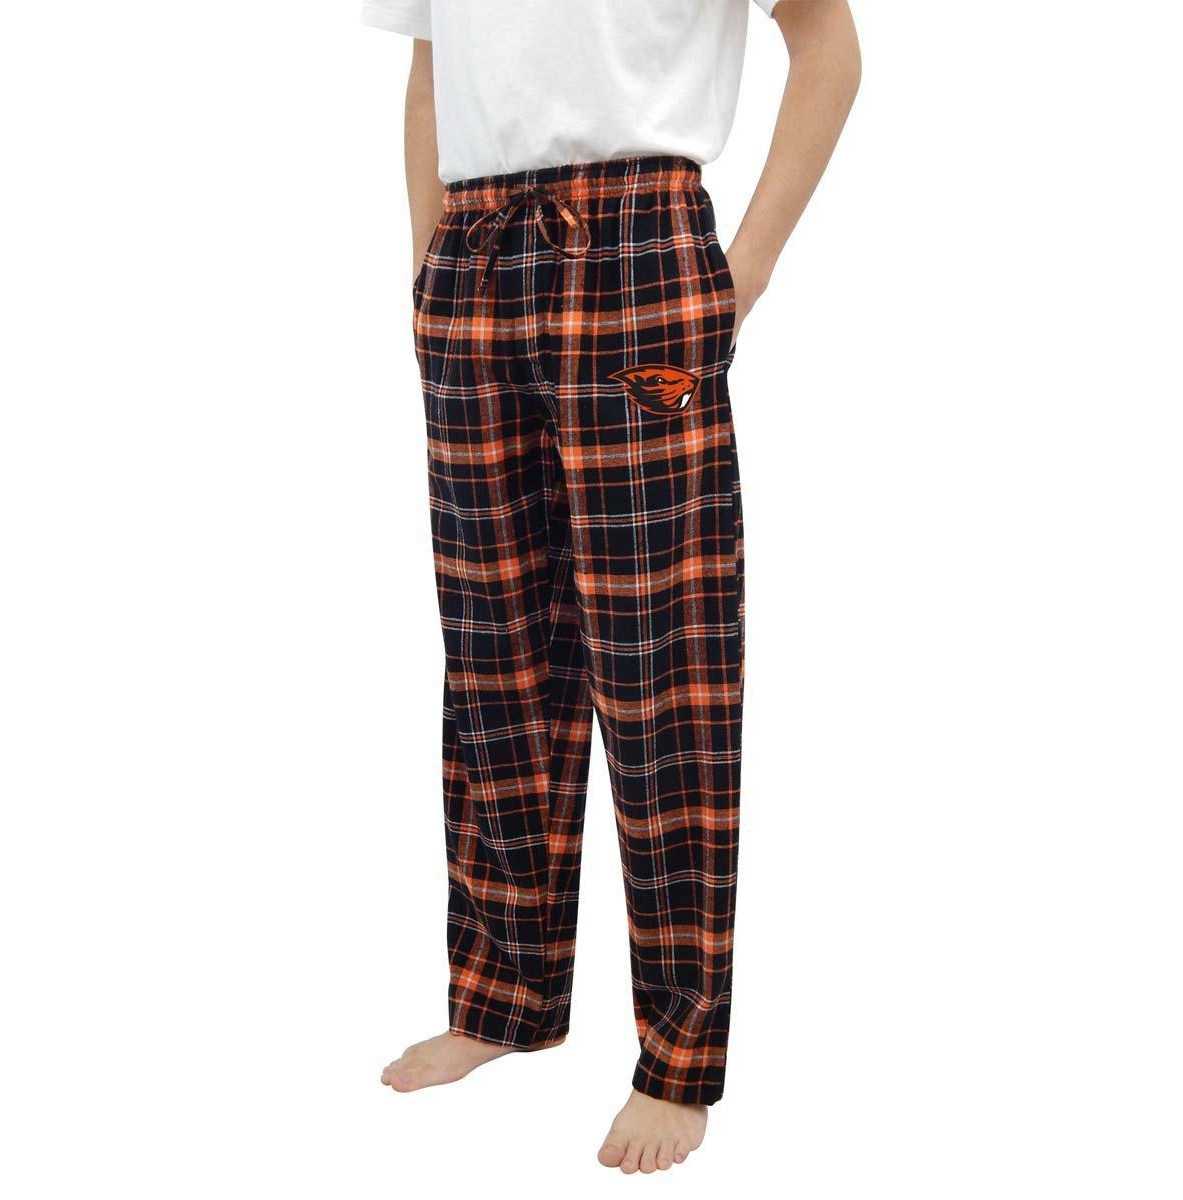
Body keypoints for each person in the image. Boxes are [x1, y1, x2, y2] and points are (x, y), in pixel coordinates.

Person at [366, 0, 860, 1174]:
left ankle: (678, 1056)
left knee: (661, 664)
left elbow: (826, 40)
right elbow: (432, 76)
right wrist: (428, 273)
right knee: (495, 653)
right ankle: (503, 995)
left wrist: (745, 272)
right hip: (472, 258)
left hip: (641, 249)